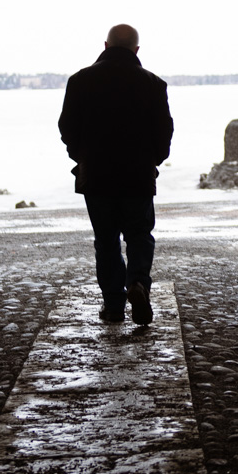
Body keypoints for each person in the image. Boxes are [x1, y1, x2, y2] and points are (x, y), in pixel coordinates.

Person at [57, 23, 174, 325]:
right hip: (137, 175)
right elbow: (164, 133)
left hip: (96, 176)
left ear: (105, 46)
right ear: (136, 50)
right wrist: (153, 160)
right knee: (139, 235)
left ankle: (113, 305)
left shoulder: (80, 81)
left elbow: (67, 128)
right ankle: (137, 284)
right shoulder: (153, 84)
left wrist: (81, 156)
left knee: (106, 240)